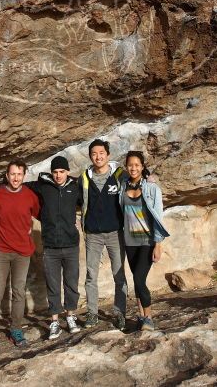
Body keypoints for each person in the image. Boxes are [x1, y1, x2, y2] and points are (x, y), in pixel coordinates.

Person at [0, 160, 41, 353]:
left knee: (18, 292)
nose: (16, 178)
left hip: (22, 252)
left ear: (24, 176)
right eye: (13, 174)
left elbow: (38, 213)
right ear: (7, 176)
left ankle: (16, 329)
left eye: (19, 174)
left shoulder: (30, 195)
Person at [26, 156, 83, 339]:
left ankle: (71, 316)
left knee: (71, 283)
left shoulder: (75, 187)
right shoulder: (43, 186)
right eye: (55, 172)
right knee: (53, 285)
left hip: (71, 245)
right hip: (50, 246)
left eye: (62, 172)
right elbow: (20, 188)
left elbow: (92, 198)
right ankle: (55, 322)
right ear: (52, 172)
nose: (58, 175)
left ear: (67, 172)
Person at [120, 150, 170, 331]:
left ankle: (148, 318)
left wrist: (158, 244)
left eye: (137, 165)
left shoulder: (152, 188)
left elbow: (158, 216)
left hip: (147, 242)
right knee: (136, 280)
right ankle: (141, 316)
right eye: (130, 165)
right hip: (129, 241)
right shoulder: (122, 187)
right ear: (126, 167)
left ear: (142, 167)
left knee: (139, 279)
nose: (133, 168)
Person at [81, 139, 128, 330]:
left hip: (116, 232)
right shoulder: (85, 178)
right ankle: (92, 313)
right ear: (90, 156)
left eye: (101, 153)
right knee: (91, 275)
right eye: (94, 153)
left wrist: (149, 178)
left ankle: (120, 313)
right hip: (93, 234)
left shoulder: (119, 175)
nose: (98, 156)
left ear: (108, 155)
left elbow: (136, 180)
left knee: (119, 274)